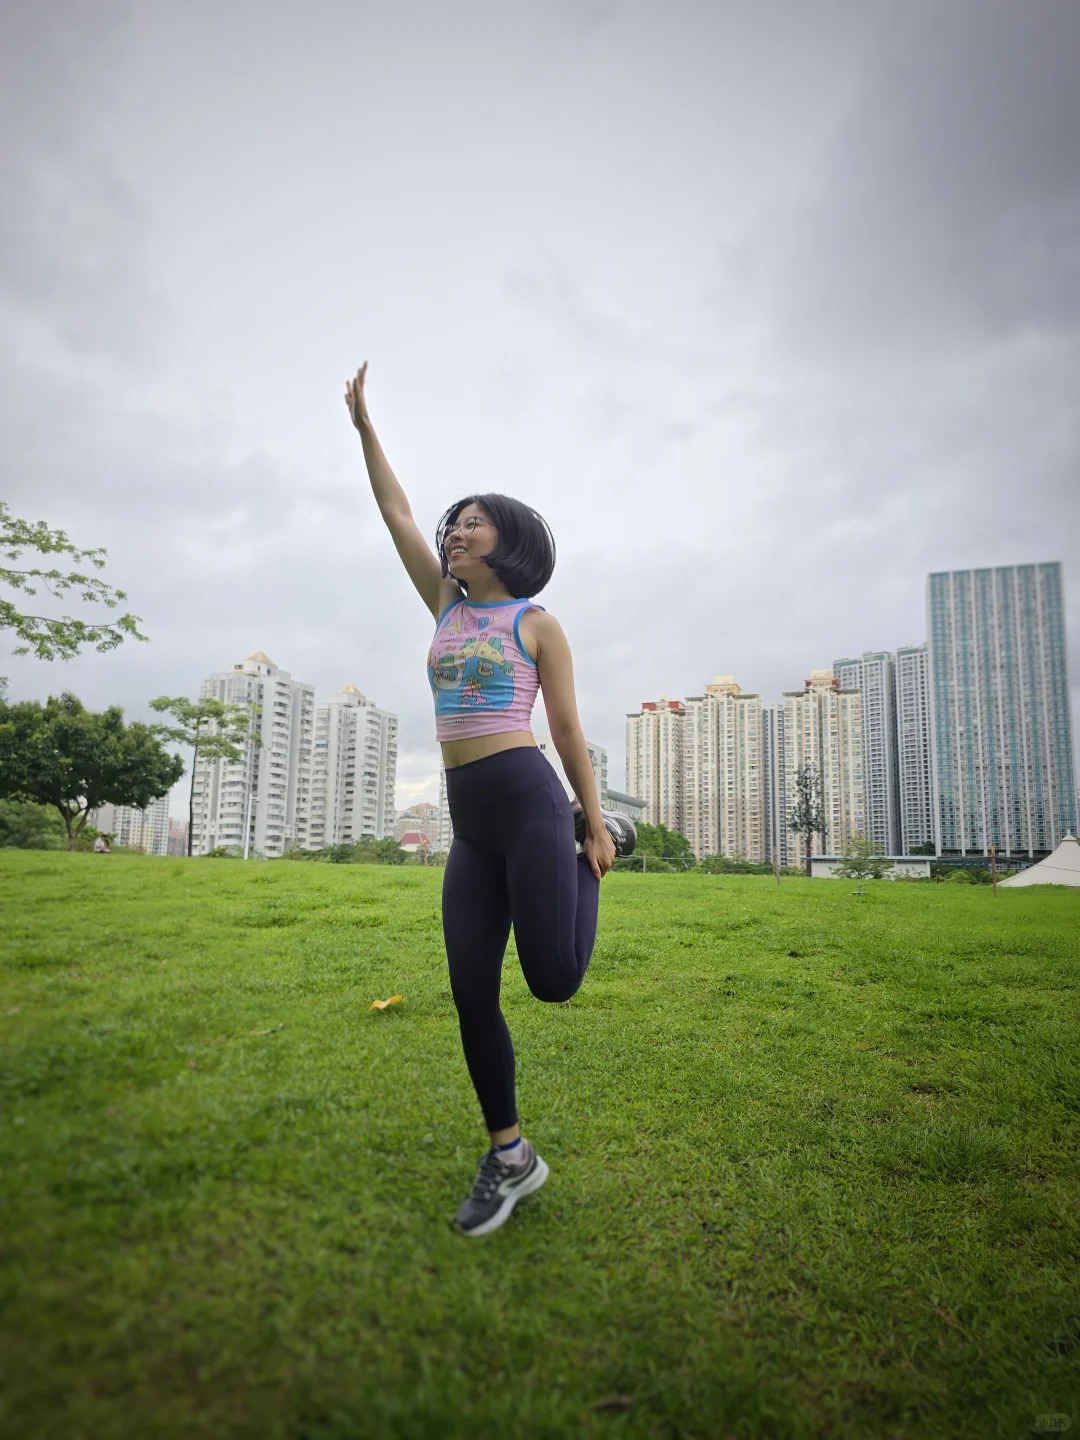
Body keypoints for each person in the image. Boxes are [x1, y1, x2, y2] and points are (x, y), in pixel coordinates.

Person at [344, 362, 635, 1238]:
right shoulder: (443, 604)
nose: (456, 533)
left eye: (474, 525)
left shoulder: (536, 623)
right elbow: (398, 512)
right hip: (470, 820)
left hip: (534, 800)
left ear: (504, 544)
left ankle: (602, 836)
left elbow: (571, 732)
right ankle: (510, 1157)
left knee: (552, 981)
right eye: (456, 525)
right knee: (470, 988)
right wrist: (365, 428)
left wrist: (590, 818)